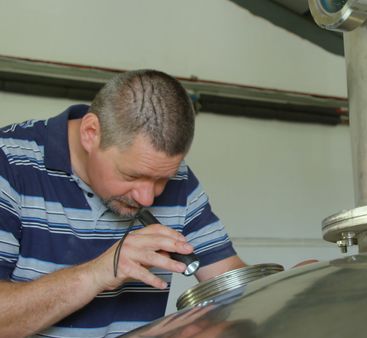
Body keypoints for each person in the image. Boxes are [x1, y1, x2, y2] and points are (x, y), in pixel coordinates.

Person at [0, 69, 246, 337]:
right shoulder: (9, 165)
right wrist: (97, 274)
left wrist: (291, 290)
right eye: (132, 176)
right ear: (91, 133)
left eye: (162, 179)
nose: (147, 198)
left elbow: (231, 287)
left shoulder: (179, 180)